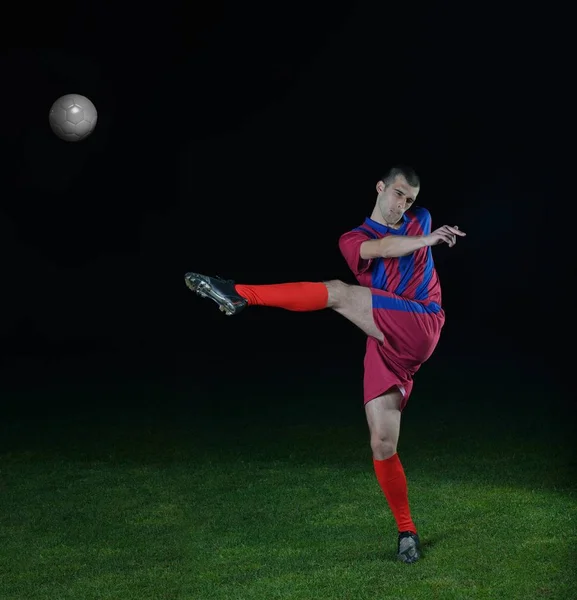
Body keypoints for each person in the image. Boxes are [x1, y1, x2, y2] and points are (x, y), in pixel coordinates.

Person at [184, 165, 466, 563]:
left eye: (410, 200)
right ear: (380, 187)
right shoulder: (353, 240)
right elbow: (383, 248)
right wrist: (428, 239)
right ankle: (407, 532)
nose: (403, 205)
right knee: (382, 443)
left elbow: (403, 240)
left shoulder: (420, 220)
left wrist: (427, 233)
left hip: (421, 320)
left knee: (336, 292)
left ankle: (239, 293)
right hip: (386, 340)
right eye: (398, 194)